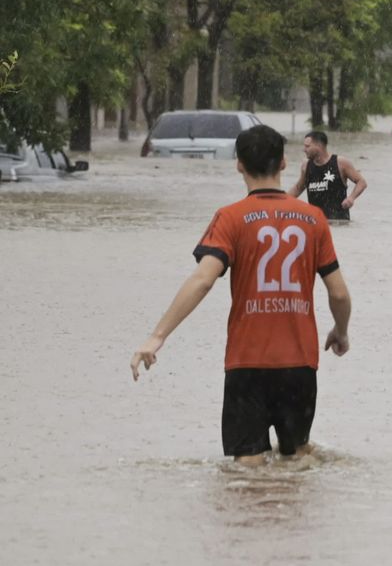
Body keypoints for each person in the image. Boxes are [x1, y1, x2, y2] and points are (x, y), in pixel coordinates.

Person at [130, 125, 353, 466]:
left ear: (238, 165)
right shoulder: (314, 220)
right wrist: (341, 330)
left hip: (246, 363)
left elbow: (203, 280)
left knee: (246, 468)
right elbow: (338, 293)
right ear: (283, 163)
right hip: (299, 364)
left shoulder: (230, 218)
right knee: (298, 461)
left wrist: (156, 337)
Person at [288, 130, 367, 221]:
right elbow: (298, 188)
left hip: (339, 223)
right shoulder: (306, 165)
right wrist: (280, 201)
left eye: (307, 146)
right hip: (316, 223)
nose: (304, 149)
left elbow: (362, 182)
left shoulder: (340, 163)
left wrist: (351, 198)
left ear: (319, 146)